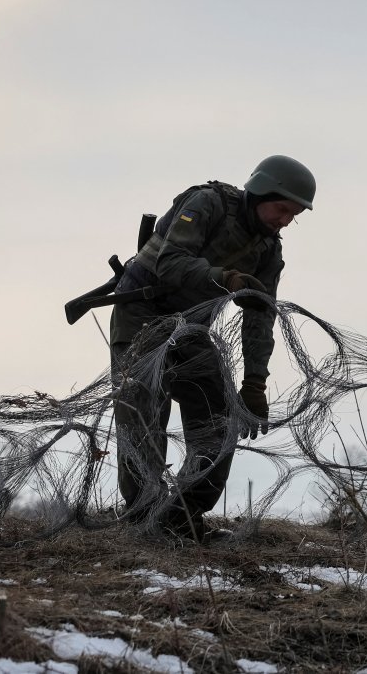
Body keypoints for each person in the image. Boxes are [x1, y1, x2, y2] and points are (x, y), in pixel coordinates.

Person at [107, 155, 315, 542]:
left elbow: (260, 317)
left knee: (221, 421)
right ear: (260, 193)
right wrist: (226, 278)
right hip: (142, 314)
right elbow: (170, 263)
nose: (285, 219)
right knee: (143, 415)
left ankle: (179, 520)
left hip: (190, 329)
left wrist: (254, 384)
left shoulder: (268, 251)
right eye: (282, 208)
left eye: (295, 214)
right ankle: (144, 521)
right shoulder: (207, 204)